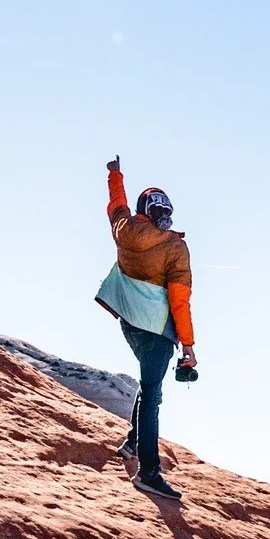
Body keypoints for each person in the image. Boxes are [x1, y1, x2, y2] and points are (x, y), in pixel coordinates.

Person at [95, 156, 196, 501]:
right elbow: (180, 301)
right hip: (156, 330)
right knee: (153, 396)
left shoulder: (124, 229)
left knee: (149, 385)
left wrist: (115, 175)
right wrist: (188, 345)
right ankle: (149, 473)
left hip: (129, 322)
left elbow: (117, 205)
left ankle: (132, 444)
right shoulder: (174, 247)